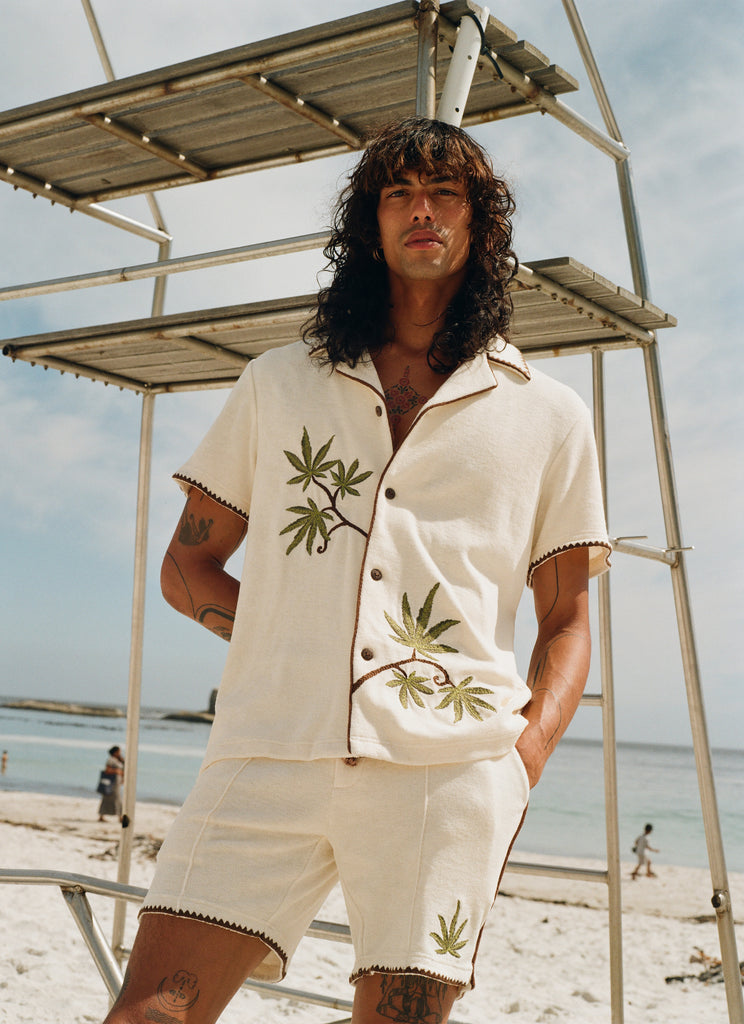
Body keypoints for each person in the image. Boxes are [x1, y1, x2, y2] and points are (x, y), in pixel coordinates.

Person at [103, 117, 610, 1024]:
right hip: (267, 748)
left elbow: (566, 621)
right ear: (368, 225)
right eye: (397, 193)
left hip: (448, 776)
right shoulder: (278, 382)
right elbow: (190, 567)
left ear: (481, 225)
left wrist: (521, 759)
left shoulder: (551, 417)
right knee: (151, 1013)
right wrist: (281, 640)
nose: (422, 210)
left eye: (445, 193)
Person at [97, 745, 124, 822]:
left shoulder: (118, 760)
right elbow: (107, 770)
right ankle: (119, 817)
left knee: (115, 798)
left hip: (117, 783)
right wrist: (117, 771)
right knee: (113, 798)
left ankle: (119, 816)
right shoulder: (111, 760)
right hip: (112, 783)